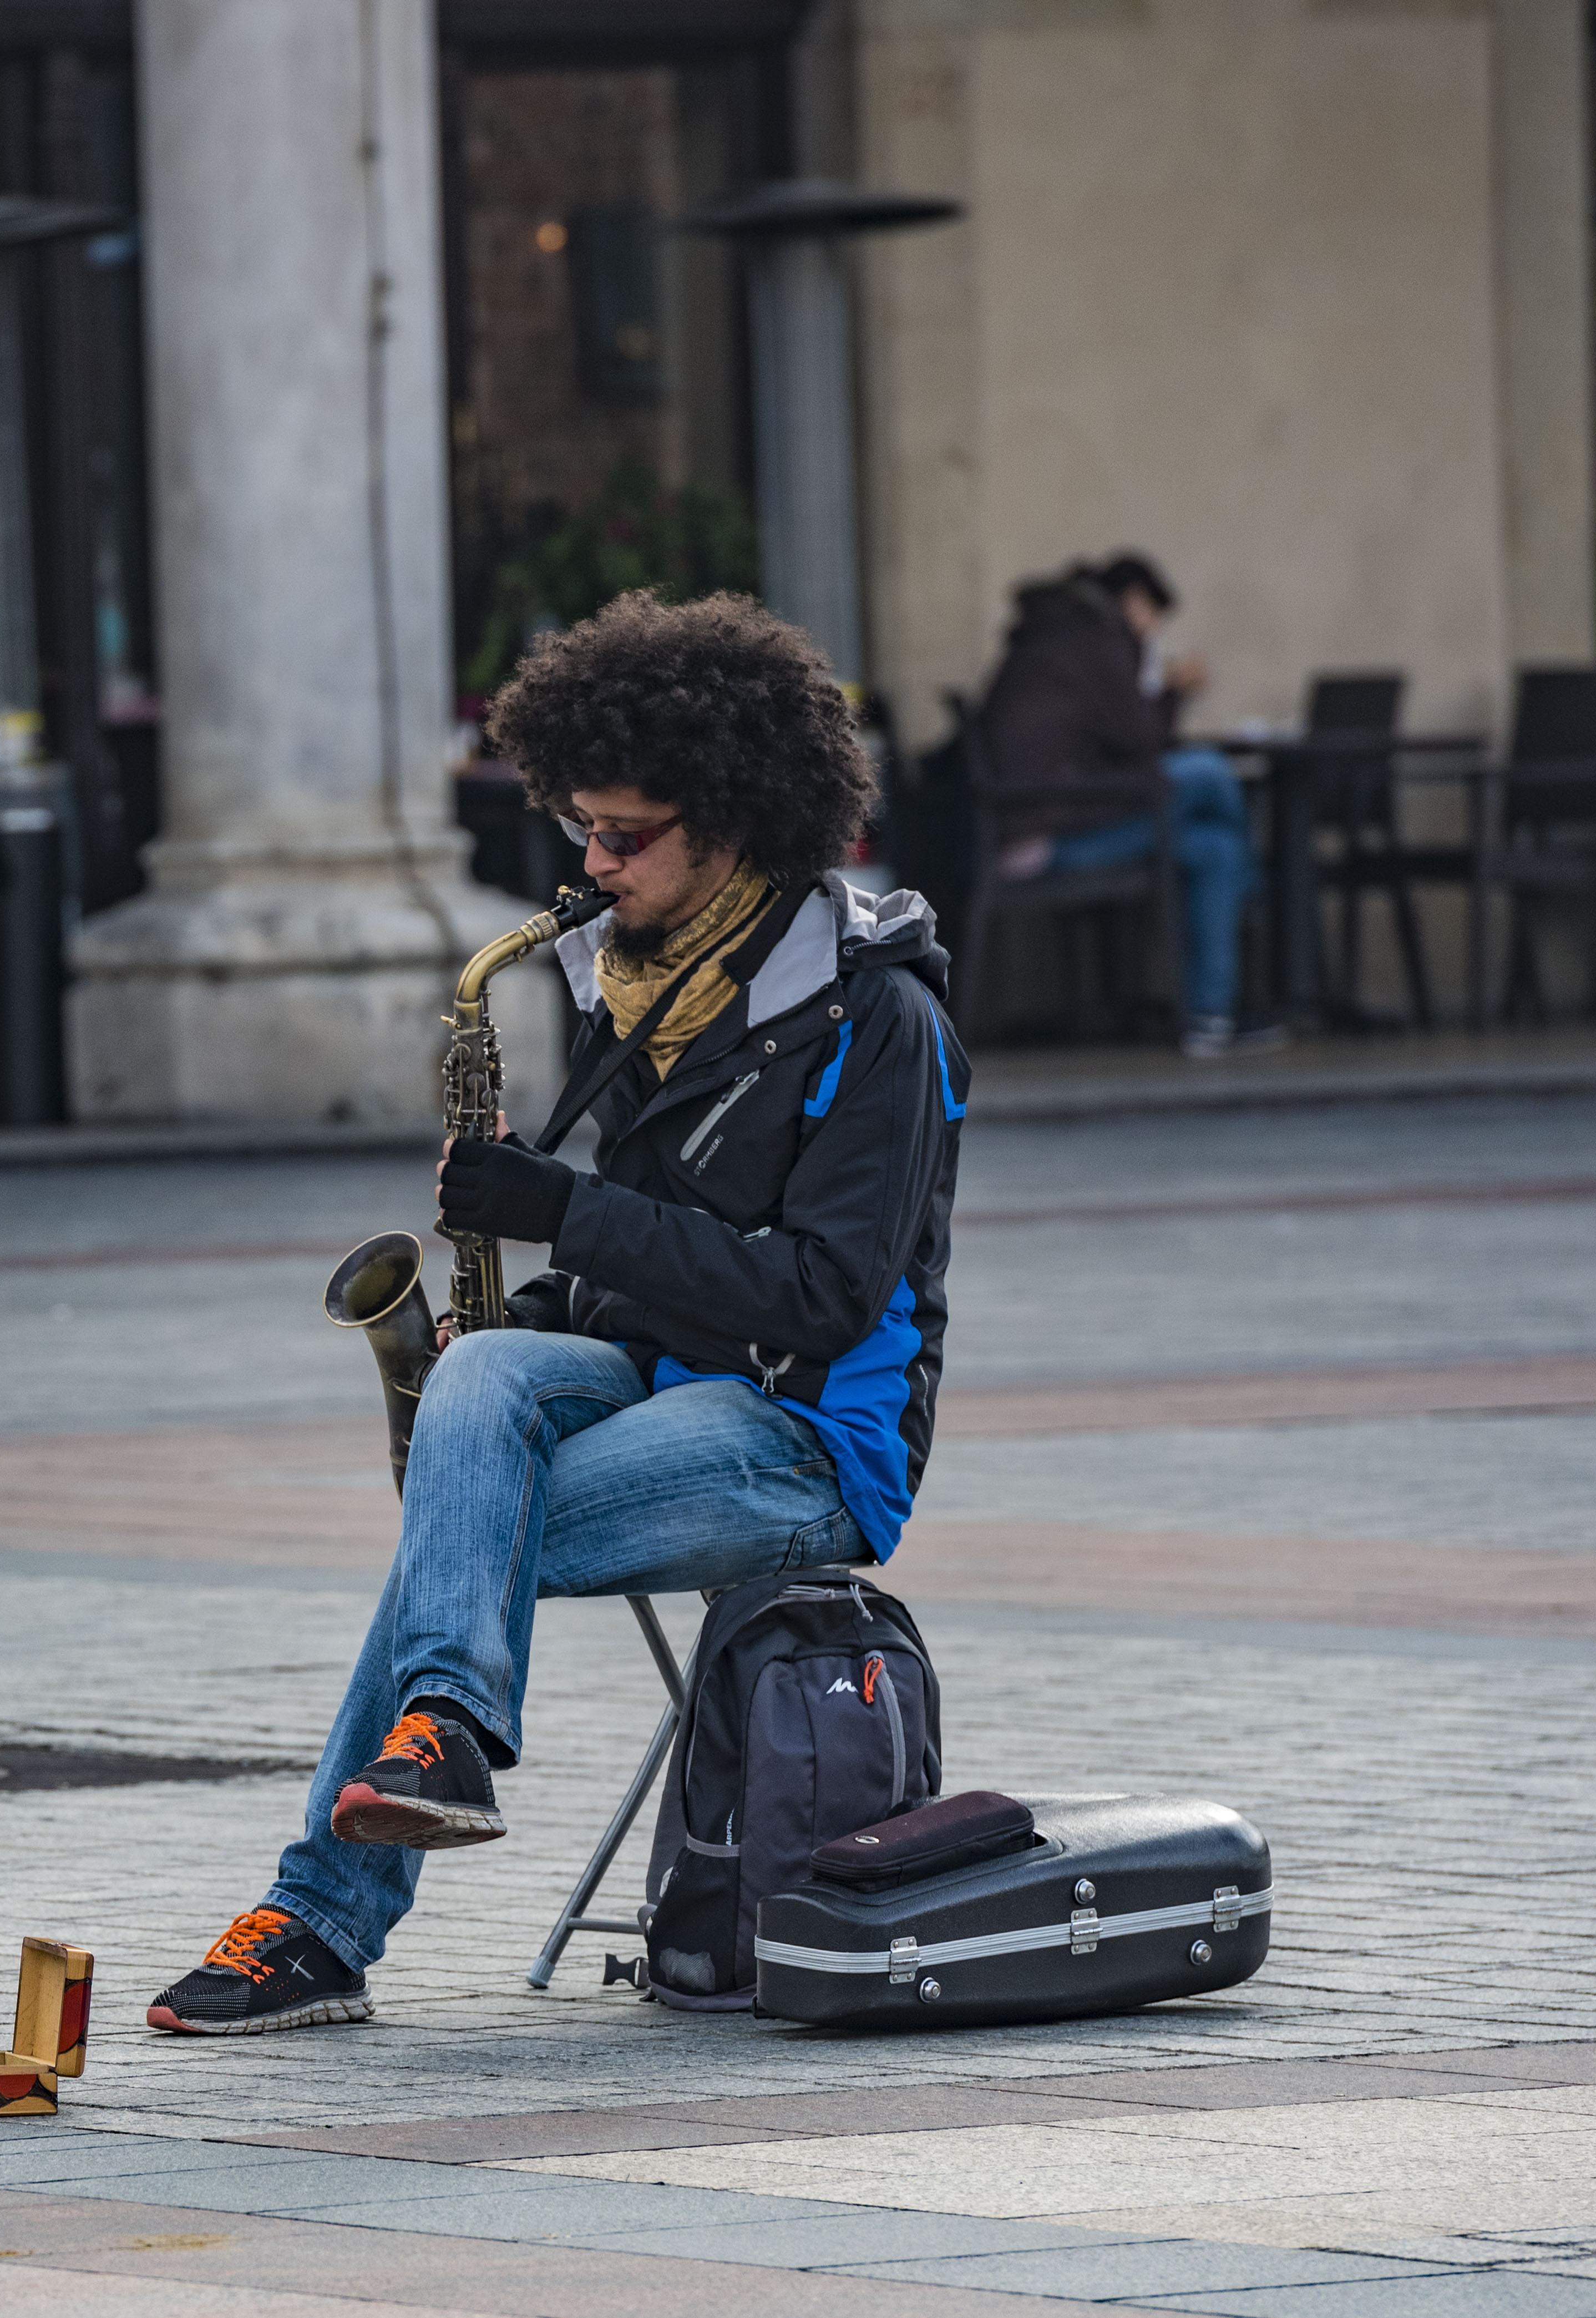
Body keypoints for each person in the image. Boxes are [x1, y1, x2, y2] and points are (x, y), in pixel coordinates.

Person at [148, 591, 969, 2035]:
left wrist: (563, 1208)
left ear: (735, 824)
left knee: (460, 1533)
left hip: (805, 1429)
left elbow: (827, 1296)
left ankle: (325, 1916)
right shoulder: (634, 981)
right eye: (577, 829)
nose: (589, 867)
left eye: (625, 836)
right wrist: (522, 1303)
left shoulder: (877, 1019)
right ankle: (445, 1738)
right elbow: (627, 1268)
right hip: (658, 1379)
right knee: (487, 1387)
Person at [974, 552, 1280, 1060]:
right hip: (1044, 832)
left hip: (1044, 818)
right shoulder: (1092, 640)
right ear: (1135, 602)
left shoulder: (1053, 635)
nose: (1153, 631)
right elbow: (1141, 738)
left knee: (1215, 848)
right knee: (1205, 773)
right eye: (1153, 618)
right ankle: (1257, 896)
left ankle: (1209, 1018)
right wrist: (1174, 690)